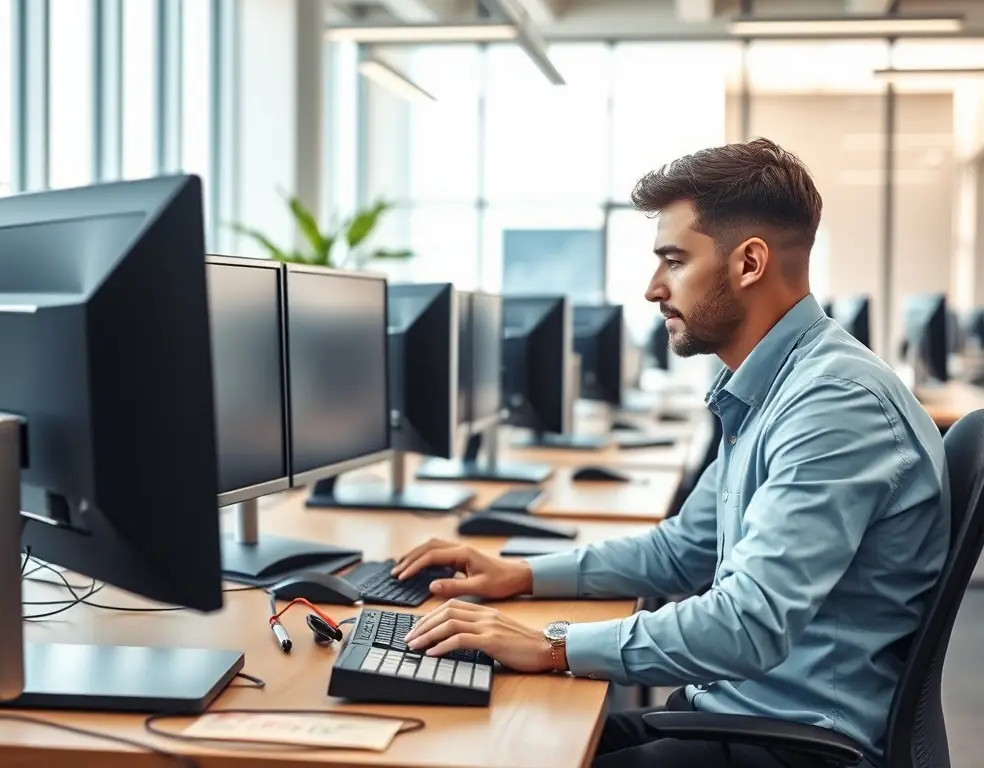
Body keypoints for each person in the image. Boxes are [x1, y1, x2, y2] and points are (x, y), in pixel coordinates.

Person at [392, 137, 950, 768]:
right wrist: (520, 576)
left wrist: (551, 643)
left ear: (749, 263)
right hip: (736, 710)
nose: (654, 288)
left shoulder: (833, 406)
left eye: (674, 260)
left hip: (794, 744)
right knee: (486, 735)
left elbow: (748, 624)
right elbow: (682, 549)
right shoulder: (774, 387)